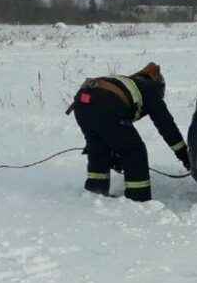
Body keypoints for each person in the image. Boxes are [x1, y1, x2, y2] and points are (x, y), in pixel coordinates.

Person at [68, 62, 189, 201]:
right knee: (134, 151)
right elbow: (168, 128)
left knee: (98, 148)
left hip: (82, 102)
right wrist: (185, 157)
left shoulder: (130, 83)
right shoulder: (150, 90)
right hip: (104, 104)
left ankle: (96, 191)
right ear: (159, 87)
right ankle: (138, 198)